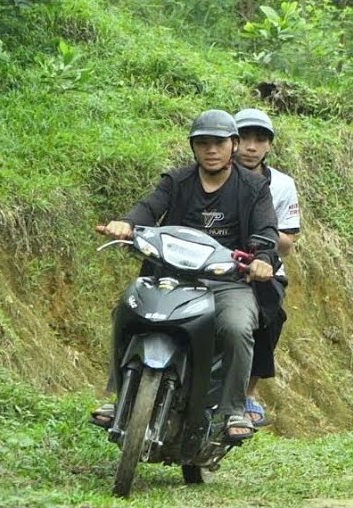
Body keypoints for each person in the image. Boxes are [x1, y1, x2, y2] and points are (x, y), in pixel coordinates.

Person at [91, 109, 280, 443]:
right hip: (171, 277)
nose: (211, 150)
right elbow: (147, 208)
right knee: (126, 310)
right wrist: (126, 224)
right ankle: (120, 397)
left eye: (219, 143)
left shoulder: (253, 188)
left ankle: (233, 408)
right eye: (202, 143)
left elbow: (266, 231)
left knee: (237, 326)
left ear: (232, 145)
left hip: (227, 281)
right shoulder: (176, 182)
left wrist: (263, 258)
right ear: (193, 147)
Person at [233, 108, 300, 428]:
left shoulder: (283, 185)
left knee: (270, 314)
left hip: (264, 265)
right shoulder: (213, 173)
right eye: (244, 138)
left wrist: (263, 242)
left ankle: (248, 392)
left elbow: (288, 239)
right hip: (213, 261)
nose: (251, 147)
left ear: (269, 146)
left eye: (259, 140)